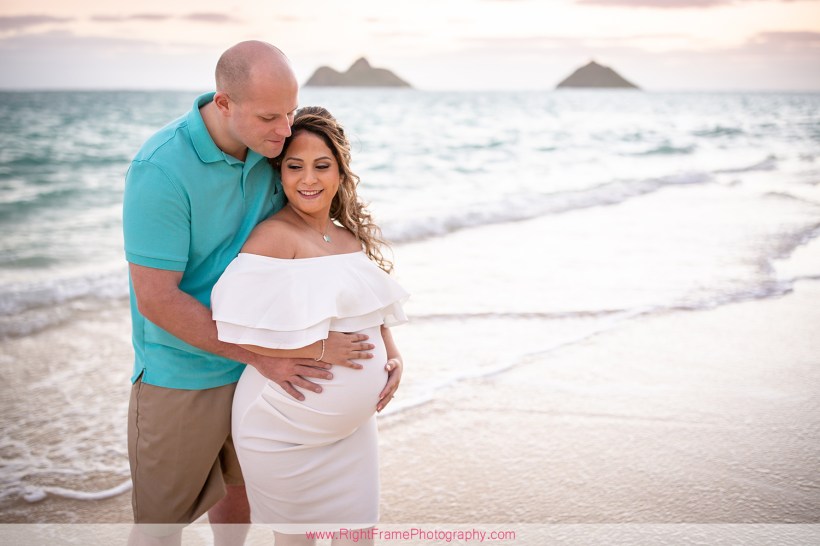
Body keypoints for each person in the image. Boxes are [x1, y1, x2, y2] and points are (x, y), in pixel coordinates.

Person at [122, 42, 402, 546]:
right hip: (186, 373)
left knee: (240, 509)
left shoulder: (272, 151)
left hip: (266, 376)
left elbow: (328, 261)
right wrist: (268, 357)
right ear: (224, 103)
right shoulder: (160, 170)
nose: (285, 129)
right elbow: (156, 300)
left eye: (290, 112)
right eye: (271, 116)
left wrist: (383, 338)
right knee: (161, 524)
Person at [211, 106, 407, 545]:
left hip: (352, 432)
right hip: (282, 429)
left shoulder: (347, 237)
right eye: (294, 167)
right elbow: (231, 327)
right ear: (279, 174)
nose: (308, 179)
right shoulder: (274, 237)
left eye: (322, 166)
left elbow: (367, 310)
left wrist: (391, 354)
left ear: (340, 171)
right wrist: (321, 350)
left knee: (360, 536)